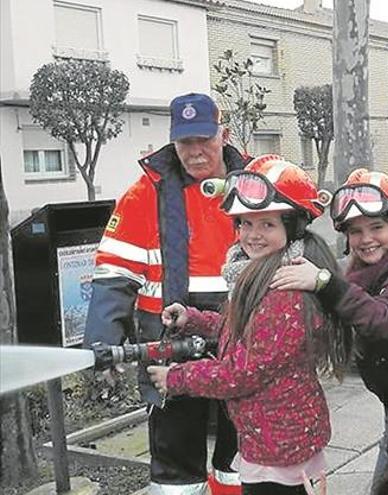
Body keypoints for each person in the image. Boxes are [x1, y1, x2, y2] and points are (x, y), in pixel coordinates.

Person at [146, 155, 351, 495]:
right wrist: (192, 320)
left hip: (280, 445)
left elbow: (244, 372)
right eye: (245, 224)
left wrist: (177, 378)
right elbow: (242, 329)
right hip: (275, 435)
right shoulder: (260, 274)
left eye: (267, 225)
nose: (252, 235)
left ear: (293, 226)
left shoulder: (284, 291)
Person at [84, 93, 247, 494]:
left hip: (244, 337)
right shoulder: (145, 193)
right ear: (173, 141)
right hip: (170, 345)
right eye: (185, 143)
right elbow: (115, 271)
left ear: (223, 135)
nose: (195, 153)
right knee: (176, 464)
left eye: (204, 141)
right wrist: (103, 340)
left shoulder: (253, 184)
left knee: (242, 455)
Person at [270, 169, 388, 482]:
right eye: (355, 231)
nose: (366, 239)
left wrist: (324, 282)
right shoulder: (364, 266)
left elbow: (383, 320)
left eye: (377, 227)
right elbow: (344, 305)